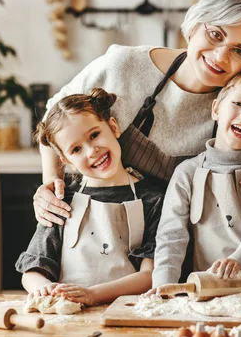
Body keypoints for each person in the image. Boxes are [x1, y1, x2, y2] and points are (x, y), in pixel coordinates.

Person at [32, 0, 241, 239]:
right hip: (94, 237)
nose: (221, 56)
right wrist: (51, 183)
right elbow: (52, 119)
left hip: (179, 260)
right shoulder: (125, 66)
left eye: (240, 51)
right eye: (215, 34)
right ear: (195, 25)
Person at [15, 89, 164, 306]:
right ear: (65, 160)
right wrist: (43, 288)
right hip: (70, 315)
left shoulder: (154, 199)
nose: (91, 151)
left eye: (94, 135)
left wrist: (92, 295)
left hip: (127, 313)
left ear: (113, 127)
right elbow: (32, 271)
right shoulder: (62, 201)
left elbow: (150, 276)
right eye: (76, 149)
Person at [152, 71, 241, 288]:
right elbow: (171, 236)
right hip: (210, 285)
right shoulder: (186, 173)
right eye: (237, 103)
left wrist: (238, 260)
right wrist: (162, 286)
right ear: (216, 109)